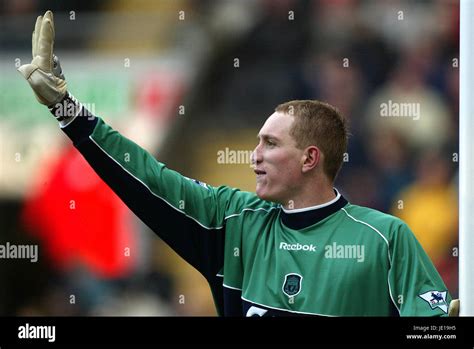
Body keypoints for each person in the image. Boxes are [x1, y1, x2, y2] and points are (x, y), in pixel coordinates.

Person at [19, 10, 457, 316]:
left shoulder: (385, 239)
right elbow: (148, 178)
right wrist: (67, 110)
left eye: (269, 144)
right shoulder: (233, 222)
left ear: (310, 158)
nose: (254, 156)